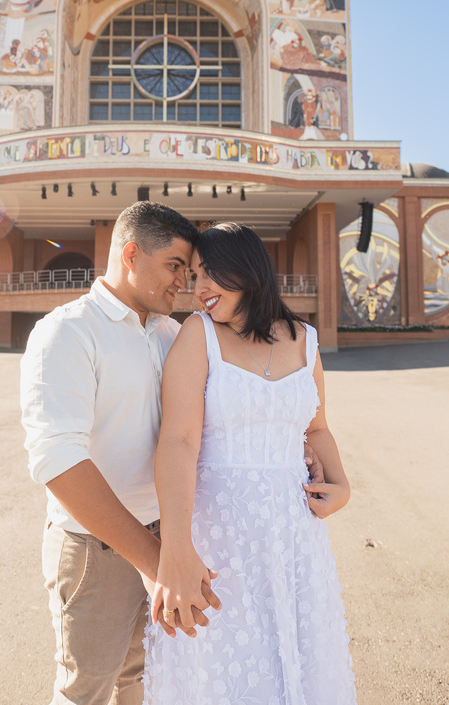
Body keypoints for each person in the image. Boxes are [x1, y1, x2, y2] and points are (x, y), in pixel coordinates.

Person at [145, 222, 356, 703]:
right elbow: (177, 440)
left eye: (208, 275)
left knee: (297, 665)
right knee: (228, 671)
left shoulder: (305, 339)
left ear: (246, 270)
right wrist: (175, 549)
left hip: (294, 541)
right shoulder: (198, 334)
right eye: (193, 276)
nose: (197, 291)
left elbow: (316, 428)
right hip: (219, 541)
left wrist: (341, 485)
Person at [20, 202, 210, 705]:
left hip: (167, 537)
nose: (183, 284)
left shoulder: (175, 335)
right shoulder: (67, 332)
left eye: (188, 273)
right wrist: (158, 562)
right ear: (131, 254)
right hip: (94, 550)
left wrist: (305, 446)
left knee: (142, 682)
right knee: (86, 689)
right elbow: (57, 462)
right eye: (175, 267)